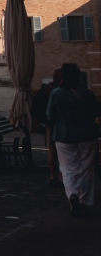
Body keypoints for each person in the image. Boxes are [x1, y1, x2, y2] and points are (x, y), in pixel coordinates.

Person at [46, 62, 98, 217]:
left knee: (67, 168)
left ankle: (72, 195)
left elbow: (50, 116)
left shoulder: (56, 93)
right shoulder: (87, 93)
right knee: (86, 170)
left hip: (63, 136)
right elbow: (96, 112)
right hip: (87, 135)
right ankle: (85, 202)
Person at [33, 69, 64, 186]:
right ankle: (57, 175)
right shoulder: (55, 91)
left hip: (50, 124)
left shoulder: (46, 89)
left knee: (54, 151)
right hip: (54, 124)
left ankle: (54, 176)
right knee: (57, 151)